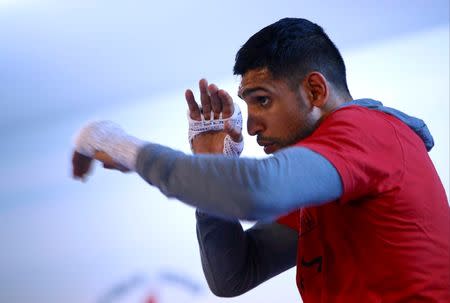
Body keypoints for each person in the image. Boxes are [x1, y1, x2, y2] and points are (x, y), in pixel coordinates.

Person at [71, 18, 450, 302]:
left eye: (263, 100)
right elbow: (232, 275)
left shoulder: (366, 130)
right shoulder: (326, 184)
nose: (250, 127)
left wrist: (123, 147)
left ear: (315, 90)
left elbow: (255, 192)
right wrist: (212, 160)